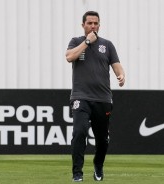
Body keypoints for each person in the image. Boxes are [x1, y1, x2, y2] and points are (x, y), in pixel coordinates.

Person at [65, 11, 125, 182]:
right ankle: (77, 173)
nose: (93, 26)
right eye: (89, 23)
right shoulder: (76, 41)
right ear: (83, 25)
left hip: (103, 99)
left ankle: (98, 166)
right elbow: (69, 57)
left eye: (95, 23)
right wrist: (87, 42)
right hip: (80, 97)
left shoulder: (107, 45)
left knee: (102, 140)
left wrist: (121, 76)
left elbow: (117, 66)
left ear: (99, 25)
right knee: (79, 132)